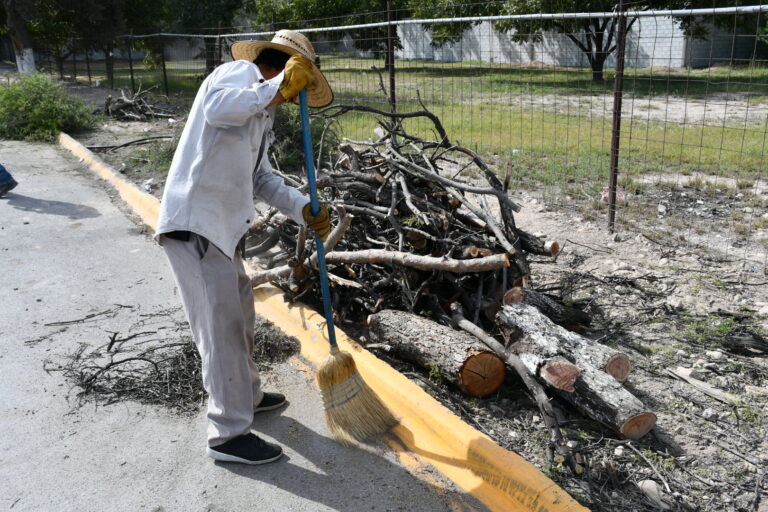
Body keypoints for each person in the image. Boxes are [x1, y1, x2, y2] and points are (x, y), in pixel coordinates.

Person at [155, 30, 334, 465]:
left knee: (241, 317)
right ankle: (228, 434)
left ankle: (247, 396)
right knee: (220, 332)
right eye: (298, 87)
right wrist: (274, 87)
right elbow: (219, 109)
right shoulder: (238, 75)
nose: (296, 100)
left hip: (223, 229)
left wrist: (303, 207)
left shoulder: (260, 114)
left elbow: (261, 178)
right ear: (285, 69)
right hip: (196, 223)